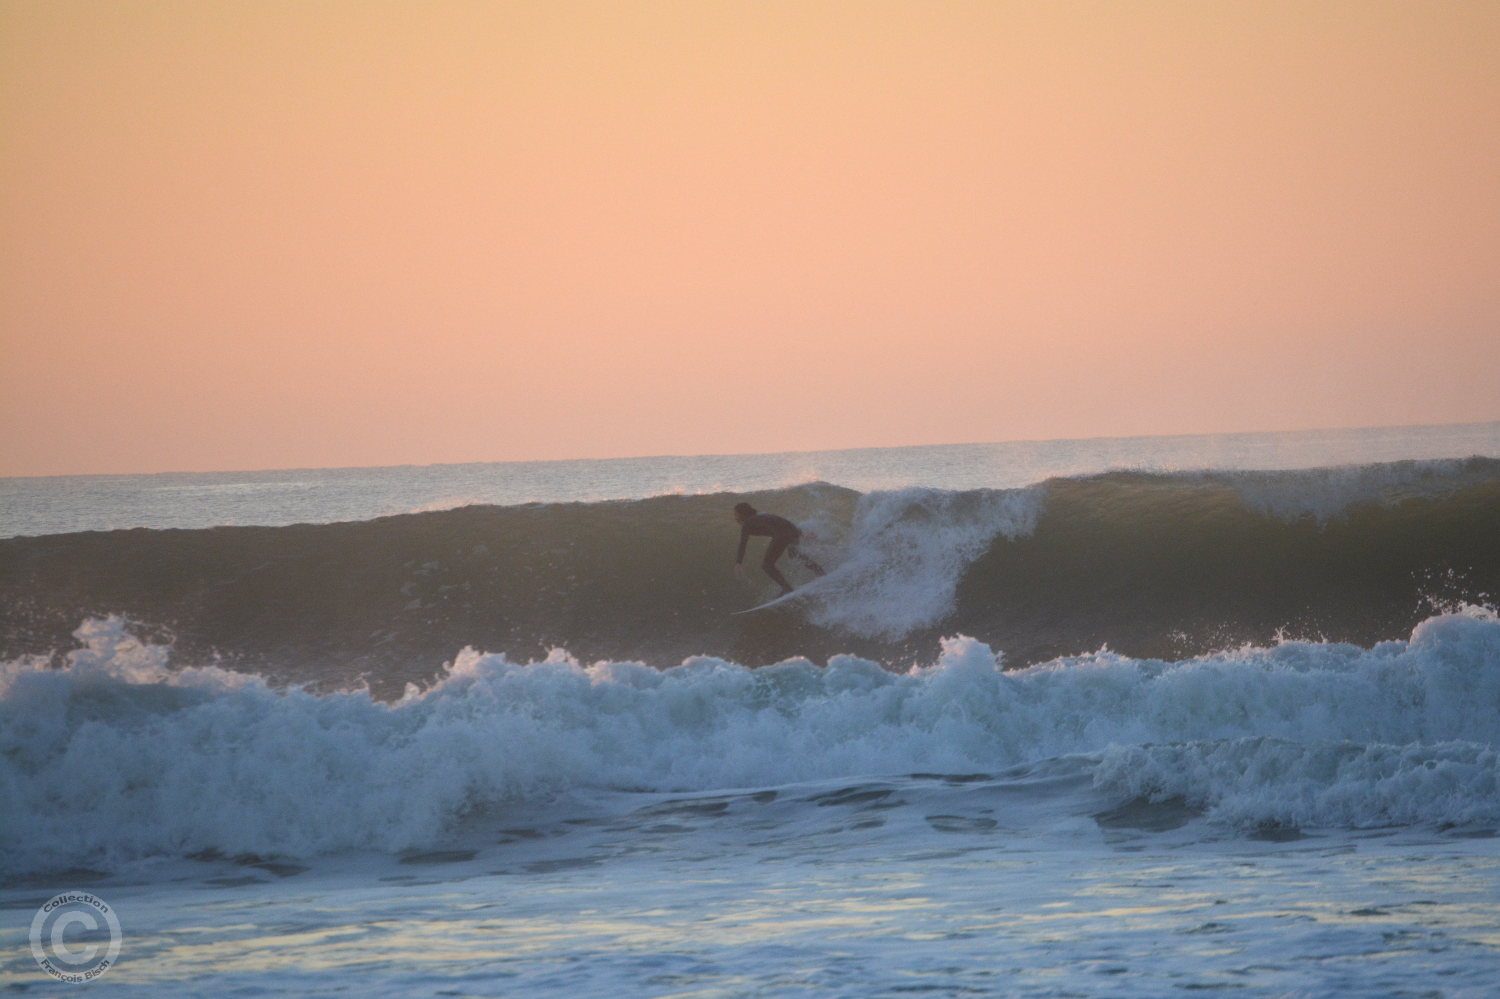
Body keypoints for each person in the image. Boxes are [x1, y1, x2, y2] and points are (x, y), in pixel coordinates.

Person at [733, 502, 825, 596]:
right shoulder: (762, 515)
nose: (735, 517)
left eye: (736, 514)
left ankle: (787, 588)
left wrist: (738, 562)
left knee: (767, 565)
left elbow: (743, 543)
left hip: (781, 536)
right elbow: (783, 521)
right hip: (792, 531)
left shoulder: (747, 524)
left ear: (742, 514)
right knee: (794, 555)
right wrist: (801, 533)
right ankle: (820, 571)